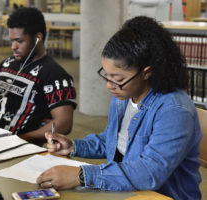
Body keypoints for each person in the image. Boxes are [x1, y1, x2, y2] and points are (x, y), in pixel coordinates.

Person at [36, 16, 202, 199]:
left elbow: (149, 172)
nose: (110, 85)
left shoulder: (174, 110)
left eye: (118, 79)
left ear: (147, 72)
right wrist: (74, 146)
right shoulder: (123, 96)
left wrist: (81, 175)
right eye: (106, 75)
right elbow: (114, 140)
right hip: (127, 191)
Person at [0, 7, 76, 145]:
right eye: (11, 40)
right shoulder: (7, 64)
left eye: (19, 41)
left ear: (38, 38)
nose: (13, 46)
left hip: (13, 145)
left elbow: (64, 123)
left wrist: (21, 139)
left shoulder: (55, 75)